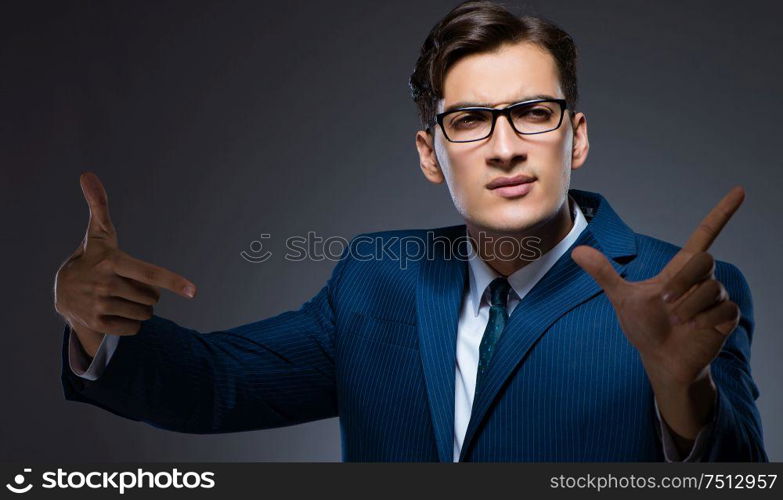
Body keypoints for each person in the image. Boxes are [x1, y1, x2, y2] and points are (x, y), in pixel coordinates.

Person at [54, 0, 767, 461]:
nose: (505, 146)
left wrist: (684, 390)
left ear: (573, 138)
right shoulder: (377, 278)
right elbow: (214, 387)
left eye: (533, 113)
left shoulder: (677, 290)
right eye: (468, 121)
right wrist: (98, 327)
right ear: (430, 154)